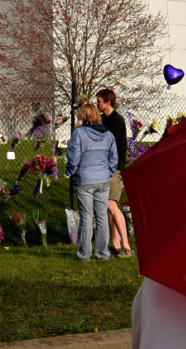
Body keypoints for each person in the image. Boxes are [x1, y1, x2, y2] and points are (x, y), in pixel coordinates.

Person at [65, 103, 118, 261]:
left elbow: (73, 158)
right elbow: (113, 158)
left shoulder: (79, 133)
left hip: (84, 180)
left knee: (87, 217)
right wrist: (107, 173)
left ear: (83, 116)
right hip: (103, 180)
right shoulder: (108, 135)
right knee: (102, 217)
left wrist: (70, 172)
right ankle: (102, 253)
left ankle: (84, 254)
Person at [96, 88, 133, 258]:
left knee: (111, 204)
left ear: (108, 102)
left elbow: (107, 141)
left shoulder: (117, 120)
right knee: (108, 206)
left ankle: (127, 246)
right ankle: (116, 244)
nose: (97, 104)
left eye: (99, 101)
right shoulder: (101, 119)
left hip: (114, 167)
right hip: (104, 167)